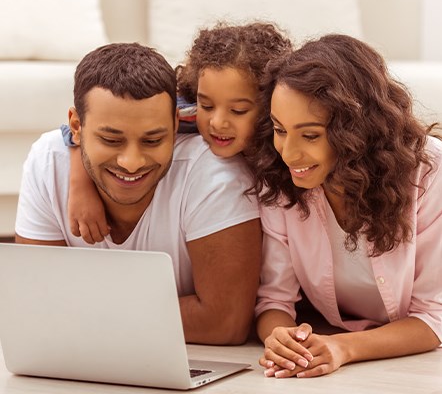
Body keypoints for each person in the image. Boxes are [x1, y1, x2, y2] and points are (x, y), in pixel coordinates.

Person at [15, 42, 262, 345]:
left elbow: (224, 323)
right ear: (76, 127)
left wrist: (73, 312)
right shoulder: (48, 161)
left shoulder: (214, 172)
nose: (131, 162)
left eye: (153, 140)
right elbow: (35, 306)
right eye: (111, 139)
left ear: (175, 124)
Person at [246, 34, 442, 377]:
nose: (289, 154)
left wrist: (343, 347)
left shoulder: (429, 176)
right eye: (280, 129)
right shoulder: (281, 179)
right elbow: (274, 300)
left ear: (357, 130)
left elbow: (434, 317)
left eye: (310, 135)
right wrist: (280, 337)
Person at [66, 22, 293, 244]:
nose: (217, 122)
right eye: (206, 105)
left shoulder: (288, 135)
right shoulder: (184, 115)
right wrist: (80, 187)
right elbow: (75, 130)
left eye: (238, 110)